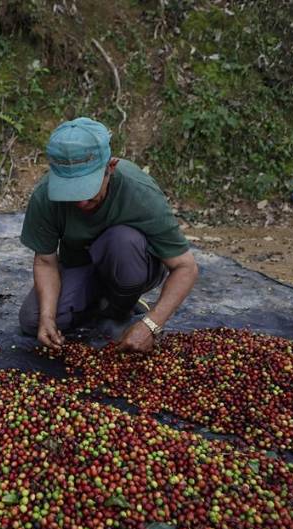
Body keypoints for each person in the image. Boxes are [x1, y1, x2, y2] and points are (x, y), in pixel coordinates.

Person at [19, 117, 199, 353]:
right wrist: (47, 317)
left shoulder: (139, 192)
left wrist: (152, 324)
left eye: (88, 189)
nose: (81, 201)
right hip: (82, 266)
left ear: (110, 168)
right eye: (71, 192)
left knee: (121, 241)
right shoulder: (45, 196)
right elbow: (45, 262)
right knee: (32, 320)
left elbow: (186, 267)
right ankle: (98, 303)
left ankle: (121, 308)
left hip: (132, 264)